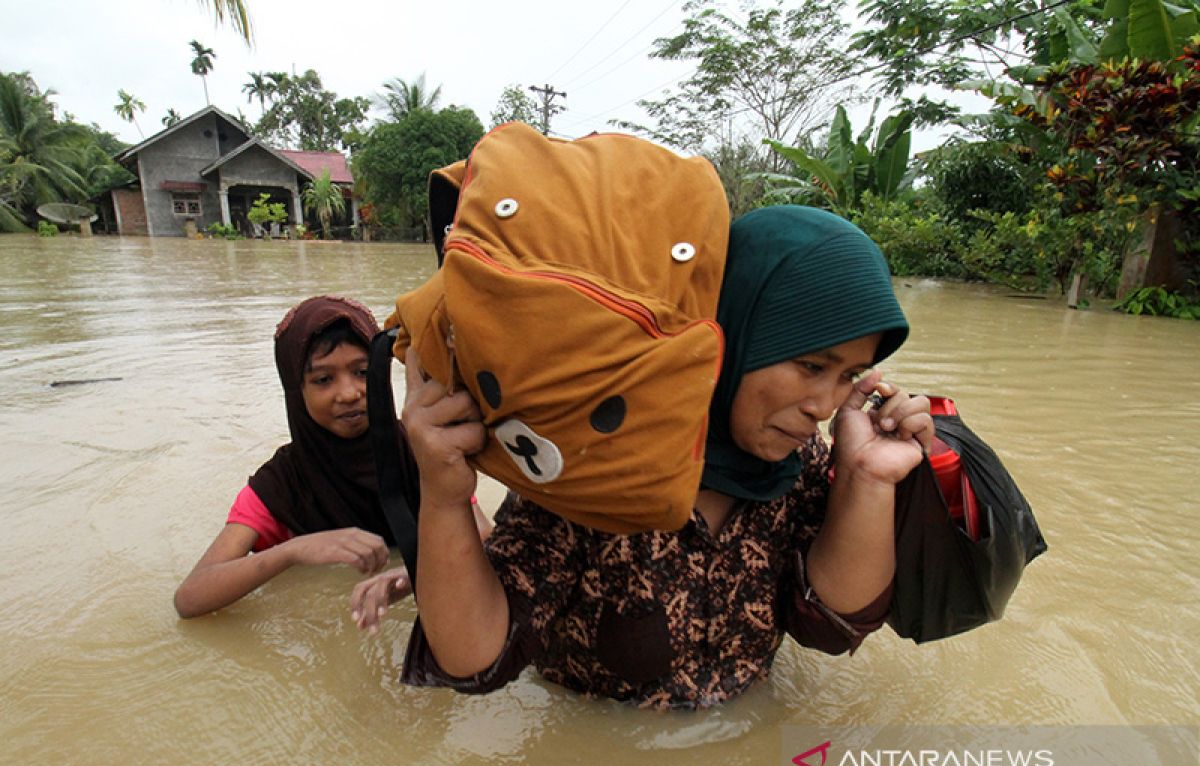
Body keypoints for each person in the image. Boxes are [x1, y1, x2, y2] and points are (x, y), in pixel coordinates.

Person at [363, 206, 935, 708]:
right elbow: (473, 659)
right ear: (732, 336)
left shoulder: (801, 462)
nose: (825, 404)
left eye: (849, 376)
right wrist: (441, 495)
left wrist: (867, 478)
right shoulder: (595, 456)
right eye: (811, 366)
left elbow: (832, 627)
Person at [174, 295, 422, 619]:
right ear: (295, 390)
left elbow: (484, 542)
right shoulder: (279, 486)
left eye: (362, 372)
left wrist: (413, 575)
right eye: (323, 380)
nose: (349, 393)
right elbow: (189, 599)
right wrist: (293, 551)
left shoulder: (418, 451)